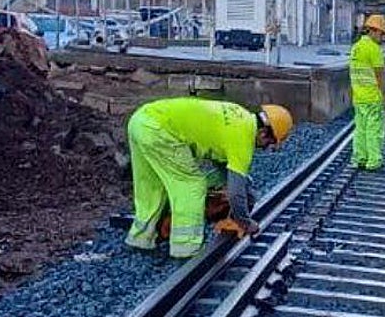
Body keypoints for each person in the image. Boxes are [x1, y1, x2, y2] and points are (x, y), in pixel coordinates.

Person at [125, 99, 293, 259]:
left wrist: (246, 189)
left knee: (151, 185)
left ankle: (141, 238)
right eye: (268, 143)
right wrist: (245, 222)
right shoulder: (243, 140)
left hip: (140, 120)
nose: (265, 148)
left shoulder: (239, 116)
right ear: (263, 133)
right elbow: (235, 193)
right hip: (159, 132)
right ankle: (186, 247)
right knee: (192, 184)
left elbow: (223, 163)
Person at [351, 13, 385, 170]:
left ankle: (360, 158)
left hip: (358, 98)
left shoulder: (356, 47)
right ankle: (374, 160)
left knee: (360, 129)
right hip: (373, 98)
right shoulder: (374, 49)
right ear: (373, 31)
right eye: (382, 34)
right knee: (374, 130)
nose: (383, 38)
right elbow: (380, 76)